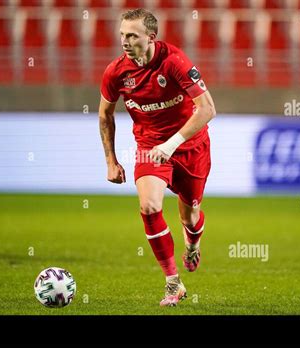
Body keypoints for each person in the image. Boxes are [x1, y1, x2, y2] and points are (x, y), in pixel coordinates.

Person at [99, 8, 216, 307]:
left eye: (132, 35)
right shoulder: (116, 72)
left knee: (189, 216)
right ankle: (173, 283)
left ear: (151, 37)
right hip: (149, 146)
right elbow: (105, 115)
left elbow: (207, 109)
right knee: (149, 205)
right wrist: (111, 161)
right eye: (122, 34)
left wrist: (172, 143)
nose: (124, 41)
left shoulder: (174, 62)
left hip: (190, 146)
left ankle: (192, 242)